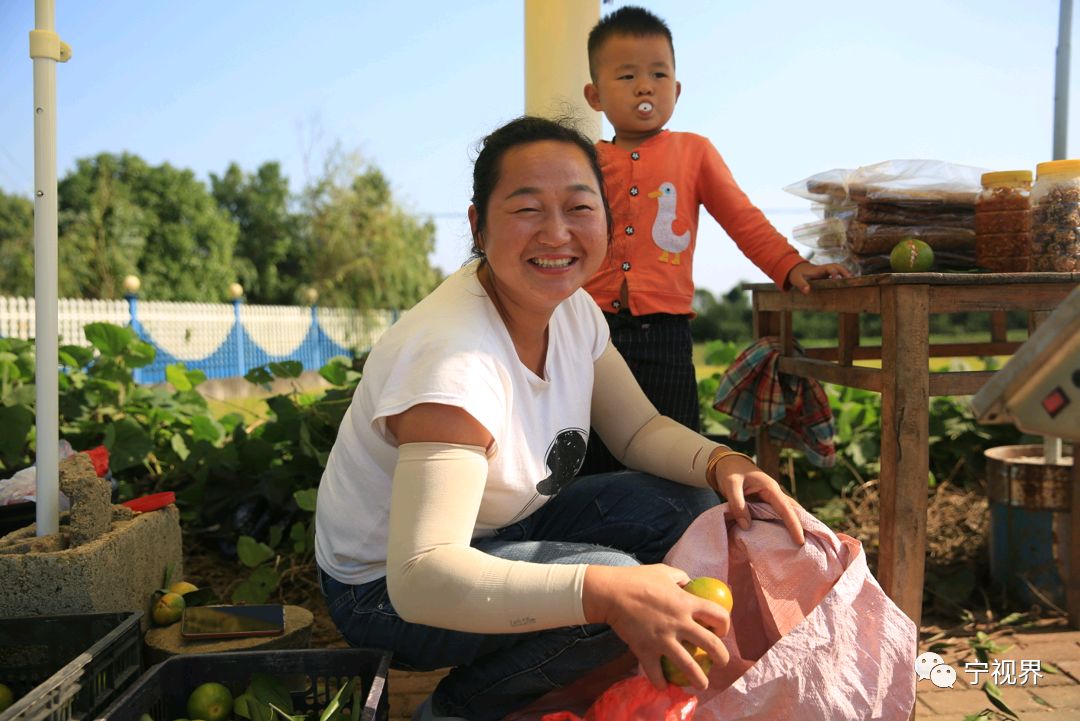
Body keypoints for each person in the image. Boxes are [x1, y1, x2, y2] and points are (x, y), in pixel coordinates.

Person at [314, 116, 805, 721]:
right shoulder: (452, 360)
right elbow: (422, 576)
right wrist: (604, 594)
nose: (557, 233)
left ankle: (565, 658)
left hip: (491, 534)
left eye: (579, 207)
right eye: (526, 209)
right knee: (617, 586)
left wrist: (723, 462)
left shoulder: (570, 310)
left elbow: (638, 431)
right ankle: (455, 710)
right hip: (383, 589)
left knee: (691, 504)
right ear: (477, 226)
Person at [579, 6, 852, 473]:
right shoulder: (582, 160)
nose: (645, 86)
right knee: (587, 454)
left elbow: (742, 218)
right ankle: (589, 544)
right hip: (586, 332)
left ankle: (679, 543)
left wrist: (791, 266)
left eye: (658, 74)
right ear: (595, 96)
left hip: (664, 333)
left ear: (677, 89)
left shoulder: (695, 152)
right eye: (627, 76)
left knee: (676, 450)